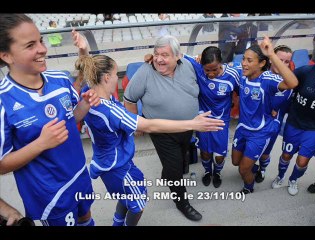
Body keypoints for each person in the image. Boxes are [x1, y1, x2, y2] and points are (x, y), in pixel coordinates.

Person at [75, 53, 224, 226]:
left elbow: (86, 71)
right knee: (137, 204)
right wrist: (192, 124)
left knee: (125, 198)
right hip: (118, 167)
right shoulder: (111, 111)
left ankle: (117, 223)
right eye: (116, 75)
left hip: (106, 162)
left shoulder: (89, 95)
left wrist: (83, 50)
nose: (117, 78)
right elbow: (149, 126)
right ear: (107, 77)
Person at [0, 14, 100, 226]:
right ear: (6, 56)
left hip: (79, 174)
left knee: (86, 218)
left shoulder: (60, 79)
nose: (42, 49)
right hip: (50, 192)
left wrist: (85, 104)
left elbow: (70, 120)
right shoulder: (3, 100)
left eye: (41, 41)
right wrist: (41, 144)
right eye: (30, 45)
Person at [124, 35, 221, 221]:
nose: (159, 59)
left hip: (188, 128)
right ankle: (182, 202)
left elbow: (212, 70)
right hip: (162, 132)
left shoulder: (190, 65)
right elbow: (129, 99)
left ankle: (168, 171)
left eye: (165, 55)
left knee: (180, 156)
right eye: (156, 54)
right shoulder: (145, 72)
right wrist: (136, 123)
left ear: (178, 56)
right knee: (175, 169)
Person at [231, 36, 298, 194]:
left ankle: (249, 187)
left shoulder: (267, 79)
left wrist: (272, 55)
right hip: (242, 128)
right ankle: (252, 165)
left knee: (242, 170)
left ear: (261, 63)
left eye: (249, 60)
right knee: (235, 162)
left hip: (259, 133)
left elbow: (293, 83)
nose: (244, 63)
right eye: (243, 59)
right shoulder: (241, 75)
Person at [183, 47, 240, 188]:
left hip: (221, 122)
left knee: (219, 155)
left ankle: (218, 173)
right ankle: (208, 172)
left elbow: (243, 93)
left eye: (214, 69)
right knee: (205, 153)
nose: (211, 73)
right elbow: (175, 53)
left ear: (221, 62)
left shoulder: (233, 74)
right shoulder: (196, 66)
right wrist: (149, 56)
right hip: (203, 120)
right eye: (207, 70)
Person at [271, 46, 315, 196]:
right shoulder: (304, 72)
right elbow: (287, 87)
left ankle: (293, 179)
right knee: (286, 155)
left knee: (302, 161)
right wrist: (276, 106)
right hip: (295, 123)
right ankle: (280, 176)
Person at [253, 45, 294, 183]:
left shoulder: (289, 83)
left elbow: (276, 106)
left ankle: (262, 170)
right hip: (252, 121)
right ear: (271, 59)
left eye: (286, 62)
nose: (282, 64)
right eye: (279, 59)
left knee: (264, 154)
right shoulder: (259, 74)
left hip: (272, 124)